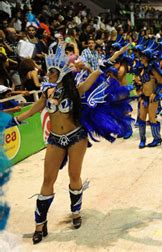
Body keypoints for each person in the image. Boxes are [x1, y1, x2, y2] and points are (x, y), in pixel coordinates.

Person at [8, 45, 133, 244]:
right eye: (48, 71)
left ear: (60, 74)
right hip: (55, 139)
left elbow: (99, 71)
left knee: (74, 176)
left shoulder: (76, 90)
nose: (47, 75)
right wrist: (11, 122)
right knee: (47, 180)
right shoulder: (46, 93)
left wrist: (116, 55)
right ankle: (40, 224)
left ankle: (75, 212)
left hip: (76, 137)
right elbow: (31, 111)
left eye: (51, 72)